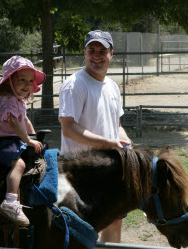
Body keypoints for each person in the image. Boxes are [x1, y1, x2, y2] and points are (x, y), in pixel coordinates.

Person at [58, 30, 132, 242]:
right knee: (81, 231)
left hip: (107, 169)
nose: (97, 55)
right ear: (84, 53)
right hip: (79, 173)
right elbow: (69, 128)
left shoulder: (112, 86)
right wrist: (109, 143)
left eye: (102, 50)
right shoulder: (75, 85)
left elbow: (116, 124)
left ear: (111, 53)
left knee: (114, 220)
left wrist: (125, 143)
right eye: (92, 50)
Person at [0, 55, 46, 226]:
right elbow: (13, 121)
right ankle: (10, 201)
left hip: (11, 139)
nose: (27, 85)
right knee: (18, 164)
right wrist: (28, 140)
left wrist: (34, 137)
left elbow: (24, 120)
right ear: (10, 81)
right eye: (22, 80)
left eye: (30, 80)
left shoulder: (18, 101)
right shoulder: (8, 100)